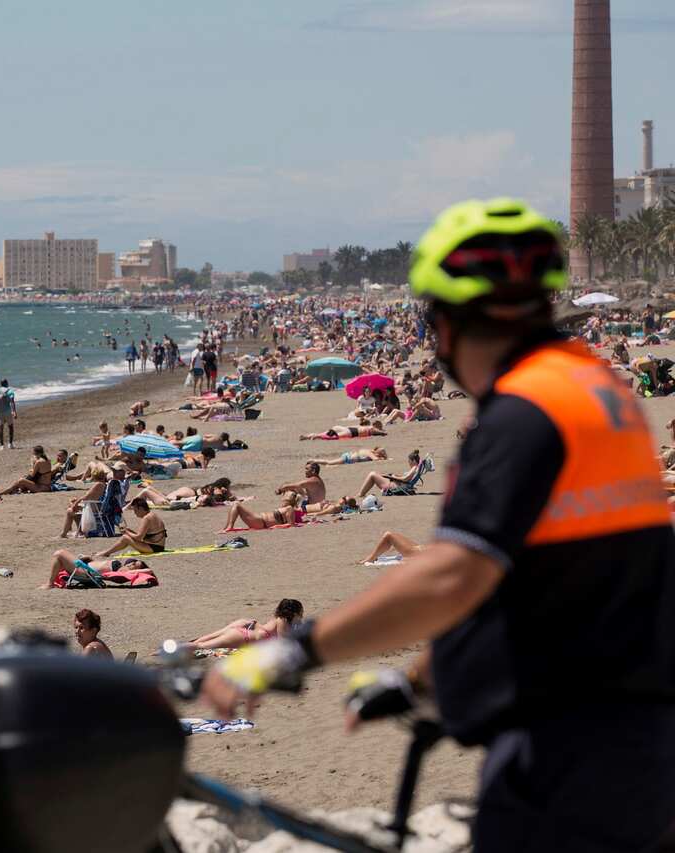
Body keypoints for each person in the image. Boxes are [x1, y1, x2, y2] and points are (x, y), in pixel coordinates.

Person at [201, 198, 675, 851]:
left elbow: (453, 575)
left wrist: (292, 650)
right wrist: (421, 677)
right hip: (634, 736)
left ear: (450, 322)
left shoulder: (524, 414)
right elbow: (547, 575)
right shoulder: (594, 390)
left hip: (570, 753)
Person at [188, 599, 304, 651]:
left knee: (204, 639)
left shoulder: (278, 618)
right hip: (245, 635)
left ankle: (181, 646)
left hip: (246, 625)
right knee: (202, 646)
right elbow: (283, 643)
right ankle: (176, 649)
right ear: (294, 612)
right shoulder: (282, 620)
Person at [94, 497, 167, 557]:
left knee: (125, 538)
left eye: (135, 510)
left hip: (154, 548)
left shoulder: (147, 518)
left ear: (140, 508)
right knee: (127, 535)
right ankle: (107, 552)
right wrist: (129, 531)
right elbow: (143, 535)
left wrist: (126, 532)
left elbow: (139, 537)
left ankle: (106, 553)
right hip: (157, 546)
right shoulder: (152, 514)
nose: (135, 513)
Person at [39, 551, 150, 590]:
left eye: (135, 565)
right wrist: (91, 559)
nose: (131, 564)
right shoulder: (120, 566)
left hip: (85, 572)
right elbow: (100, 565)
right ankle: (51, 582)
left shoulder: (123, 572)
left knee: (59, 553)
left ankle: (50, 584)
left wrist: (140, 570)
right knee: (59, 560)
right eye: (133, 562)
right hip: (85, 567)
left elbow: (148, 570)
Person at [355, 449, 424, 497]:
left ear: (413, 461)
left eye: (409, 461)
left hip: (396, 486)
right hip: (398, 484)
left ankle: (361, 494)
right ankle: (361, 493)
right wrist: (394, 475)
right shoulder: (416, 468)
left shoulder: (414, 468)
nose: (408, 462)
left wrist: (393, 477)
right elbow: (406, 478)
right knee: (378, 474)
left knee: (372, 474)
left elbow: (405, 479)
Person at [60, 469, 108, 537]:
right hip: (95, 505)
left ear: (94, 476)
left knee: (70, 511)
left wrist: (76, 503)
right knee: (72, 505)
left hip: (94, 507)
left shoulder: (99, 484)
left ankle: (64, 533)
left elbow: (86, 497)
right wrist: (76, 502)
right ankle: (79, 531)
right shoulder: (104, 484)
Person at [221, 492, 303, 531]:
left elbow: (291, 524)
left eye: (288, 493)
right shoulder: (284, 508)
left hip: (261, 522)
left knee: (237, 504)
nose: (285, 494)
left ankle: (229, 527)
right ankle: (227, 527)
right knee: (236, 505)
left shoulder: (290, 509)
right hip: (259, 520)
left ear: (290, 498)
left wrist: (276, 526)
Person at [357, 531, 423, 565]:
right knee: (394, 535)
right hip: (423, 550)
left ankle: (370, 558)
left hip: (420, 553)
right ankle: (371, 557)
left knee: (388, 535)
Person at [0, 379, 16, 449]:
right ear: (7, 383)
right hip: (7, 411)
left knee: (0, 428)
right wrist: (14, 411)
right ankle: (10, 444)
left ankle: (1, 445)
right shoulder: (9, 391)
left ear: (0, 384)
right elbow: (12, 401)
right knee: (10, 427)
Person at [307, 447, 388, 466]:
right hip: (348, 458)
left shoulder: (369, 452)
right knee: (329, 462)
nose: (384, 453)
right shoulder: (369, 452)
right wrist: (386, 458)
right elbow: (376, 460)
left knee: (332, 463)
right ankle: (314, 461)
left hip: (349, 457)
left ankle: (315, 461)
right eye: (383, 452)